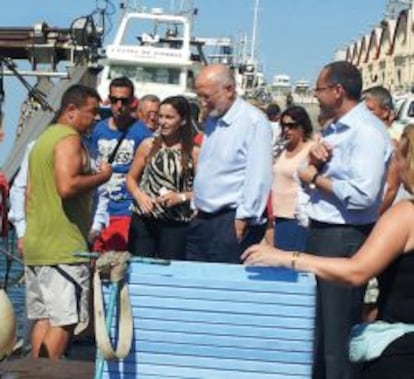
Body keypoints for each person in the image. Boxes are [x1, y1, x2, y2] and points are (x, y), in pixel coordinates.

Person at [242, 123, 414, 379]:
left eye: (398, 159)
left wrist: (286, 257)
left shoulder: (406, 215)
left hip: (402, 353)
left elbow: (356, 271)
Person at [296, 61, 393, 379]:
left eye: (319, 89)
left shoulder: (366, 131)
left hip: (344, 235)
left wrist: (313, 178)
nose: (315, 95)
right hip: (324, 231)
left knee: (337, 339)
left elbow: (363, 195)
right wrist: (315, 164)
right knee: (319, 334)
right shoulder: (335, 128)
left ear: (338, 91)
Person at [23, 84, 112, 359]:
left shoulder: (42, 141)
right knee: (65, 320)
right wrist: (103, 176)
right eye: (93, 112)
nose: (97, 118)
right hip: (63, 248)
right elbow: (67, 185)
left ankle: (34, 374)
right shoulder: (69, 140)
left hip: (38, 246)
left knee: (44, 319)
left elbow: (28, 193)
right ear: (71, 110)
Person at [185, 63, 273, 263]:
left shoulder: (253, 121)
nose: (202, 103)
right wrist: (195, 205)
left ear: (229, 90)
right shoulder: (213, 121)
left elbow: (258, 176)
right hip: (202, 217)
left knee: (221, 285)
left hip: (229, 220)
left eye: (206, 97)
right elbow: (209, 167)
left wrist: (242, 219)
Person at [127, 96, 198, 259]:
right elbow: (131, 178)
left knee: (170, 272)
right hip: (144, 220)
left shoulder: (194, 152)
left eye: (169, 117)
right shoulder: (148, 145)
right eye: (160, 116)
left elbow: (204, 192)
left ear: (183, 120)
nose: (162, 122)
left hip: (176, 223)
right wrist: (140, 196)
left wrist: (180, 197)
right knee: (139, 267)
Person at [91, 77, 152, 252]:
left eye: (124, 101)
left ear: (133, 102)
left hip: (126, 210)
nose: (119, 105)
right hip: (100, 210)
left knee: (119, 263)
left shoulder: (142, 133)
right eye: (114, 100)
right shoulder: (98, 130)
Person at [268, 105, 314, 251]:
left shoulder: (312, 149)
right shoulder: (281, 149)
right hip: (277, 216)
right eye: (283, 126)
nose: (286, 130)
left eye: (291, 125)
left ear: (302, 126)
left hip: (296, 218)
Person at [363, 86, 400, 215]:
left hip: (387, 213)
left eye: (370, 110)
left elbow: (391, 188)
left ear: (385, 112)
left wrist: (374, 217)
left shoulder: (391, 140)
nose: (364, 114)